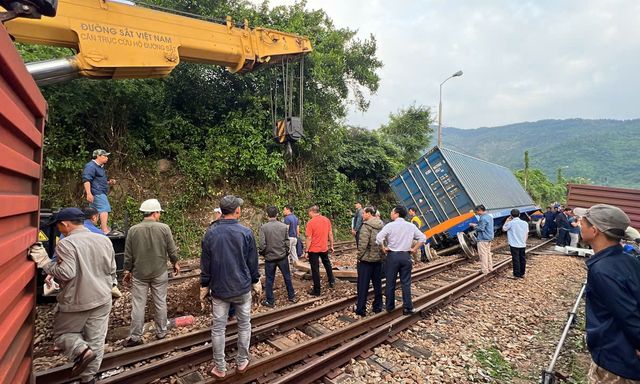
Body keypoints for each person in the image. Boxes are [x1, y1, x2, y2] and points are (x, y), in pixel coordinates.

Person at [28, 208, 115, 384]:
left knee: (62, 335)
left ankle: (81, 351)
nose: (59, 229)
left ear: (65, 224)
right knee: (96, 340)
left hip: (77, 300)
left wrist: (45, 262)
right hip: (103, 298)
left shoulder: (66, 243)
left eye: (59, 226)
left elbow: (66, 273)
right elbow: (112, 270)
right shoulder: (103, 240)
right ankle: (88, 379)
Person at [573, 204, 640, 383]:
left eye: (583, 223)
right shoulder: (628, 260)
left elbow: (628, 315)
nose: (580, 225)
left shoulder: (602, 270)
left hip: (616, 361)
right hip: (623, 356)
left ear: (594, 231)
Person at [200, 195, 261, 378]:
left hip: (219, 289)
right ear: (237, 211)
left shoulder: (210, 233)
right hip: (242, 288)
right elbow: (253, 263)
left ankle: (220, 367)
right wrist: (256, 281)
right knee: (244, 325)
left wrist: (204, 284)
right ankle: (242, 362)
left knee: (218, 328)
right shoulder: (246, 233)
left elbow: (206, 263)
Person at [122, 199, 180, 347]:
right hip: (159, 272)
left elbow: (128, 254)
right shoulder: (164, 228)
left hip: (139, 274)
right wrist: (175, 263)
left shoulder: (133, 230)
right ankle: (161, 332)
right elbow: (171, 250)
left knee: (138, 305)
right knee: (160, 302)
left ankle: (135, 336)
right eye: (159, 212)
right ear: (155, 213)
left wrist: (127, 270)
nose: (159, 215)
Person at [376, 205, 426, 315]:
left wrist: (383, 248)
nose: (391, 213)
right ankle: (408, 307)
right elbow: (422, 238)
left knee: (390, 282)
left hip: (392, 256)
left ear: (397, 214)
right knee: (406, 283)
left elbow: (379, 238)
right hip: (405, 256)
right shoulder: (410, 226)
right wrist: (414, 249)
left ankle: (389, 307)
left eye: (392, 212)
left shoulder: (390, 226)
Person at [259, 206, 297, 307]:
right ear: (277, 215)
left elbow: (262, 245)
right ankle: (292, 296)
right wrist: (285, 252)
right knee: (287, 277)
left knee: (269, 279)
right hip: (282, 257)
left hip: (270, 258)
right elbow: (287, 241)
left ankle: (270, 301)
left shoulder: (264, 227)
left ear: (267, 215)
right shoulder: (283, 226)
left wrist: (264, 253)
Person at [355, 206, 384, 317]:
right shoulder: (381, 225)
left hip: (366, 260)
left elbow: (363, 244)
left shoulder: (366, 226)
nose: (362, 215)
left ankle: (361, 309)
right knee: (377, 284)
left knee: (363, 285)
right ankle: (378, 306)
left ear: (368, 213)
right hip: (378, 259)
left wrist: (359, 257)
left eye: (363, 213)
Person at [82, 149, 116, 234]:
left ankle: (91, 229)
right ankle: (104, 230)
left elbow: (98, 181)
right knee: (104, 208)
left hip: (99, 191)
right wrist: (88, 193)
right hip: (97, 192)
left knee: (93, 212)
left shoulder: (100, 167)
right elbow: (86, 180)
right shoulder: (91, 166)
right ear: (98, 156)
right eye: (105, 156)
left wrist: (109, 182)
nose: (107, 158)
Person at [305, 204, 336, 296]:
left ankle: (317, 290)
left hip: (314, 249)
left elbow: (309, 237)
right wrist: (332, 245)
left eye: (309, 212)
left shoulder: (310, 222)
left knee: (315, 269)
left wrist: (307, 250)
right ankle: (332, 281)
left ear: (311, 212)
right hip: (324, 247)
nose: (308, 214)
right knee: (327, 264)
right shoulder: (326, 220)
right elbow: (330, 233)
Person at [502, 209, 528, 279]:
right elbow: (526, 233)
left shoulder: (510, 223)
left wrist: (507, 221)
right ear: (519, 215)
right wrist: (524, 241)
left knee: (516, 259)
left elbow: (504, 229)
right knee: (522, 258)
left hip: (513, 244)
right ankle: (522, 273)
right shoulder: (525, 223)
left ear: (511, 215)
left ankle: (516, 274)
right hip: (522, 243)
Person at [469, 205, 494, 274]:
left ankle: (485, 270)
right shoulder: (489, 216)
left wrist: (474, 225)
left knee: (483, 255)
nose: (476, 213)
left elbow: (481, 228)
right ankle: (490, 268)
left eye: (477, 212)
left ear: (480, 210)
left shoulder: (482, 218)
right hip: (488, 238)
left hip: (483, 239)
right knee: (488, 254)